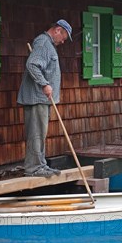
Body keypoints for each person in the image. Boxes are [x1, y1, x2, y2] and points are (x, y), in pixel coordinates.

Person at [17, 19, 73, 177]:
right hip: (37, 98)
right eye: (63, 36)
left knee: (40, 133)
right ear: (57, 30)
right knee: (36, 133)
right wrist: (44, 84)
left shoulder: (48, 45)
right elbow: (33, 64)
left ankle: (40, 165)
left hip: (43, 99)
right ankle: (34, 168)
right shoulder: (43, 43)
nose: (63, 41)